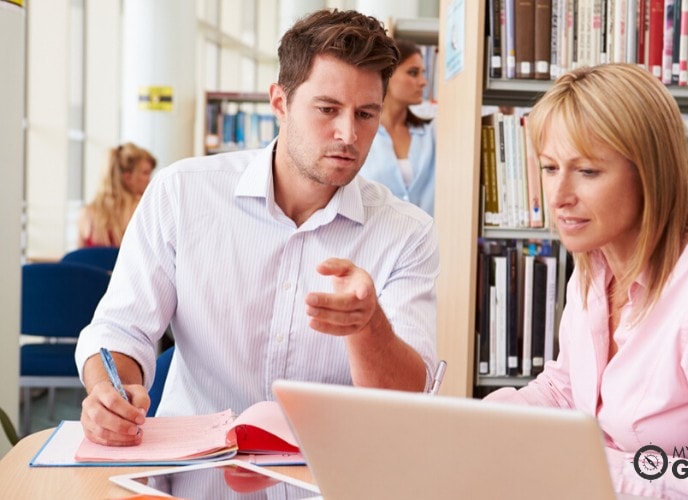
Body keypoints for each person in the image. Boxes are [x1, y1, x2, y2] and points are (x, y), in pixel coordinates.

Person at [75, 9, 439, 447]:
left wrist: (369, 326)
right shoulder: (182, 194)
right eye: (328, 109)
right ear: (280, 103)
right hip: (196, 480)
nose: (348, 134)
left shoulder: (407, 232)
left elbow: (409, 400)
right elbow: (121, 329)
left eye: (366, 114)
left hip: (326, 482)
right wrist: (109, 392)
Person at [484, 63, 688, 498]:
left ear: (650, 174)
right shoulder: (592, 269)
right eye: (548, 168)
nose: (558, 197)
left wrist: (585, 464)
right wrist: (481, 423)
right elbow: (568, 387)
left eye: (587, 172)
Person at [358, 38, 436, 215]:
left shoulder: (430, 134)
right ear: (388, 75)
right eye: (413, 73)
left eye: (423, 73)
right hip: (375, 237)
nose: (423, 82)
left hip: (426, 237)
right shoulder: (360, 133)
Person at [77, 142, 156, 247]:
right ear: (128, 178)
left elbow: (78, 259)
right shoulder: (143, 210)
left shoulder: (86, 213)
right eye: (146, 173)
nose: (150, 179)